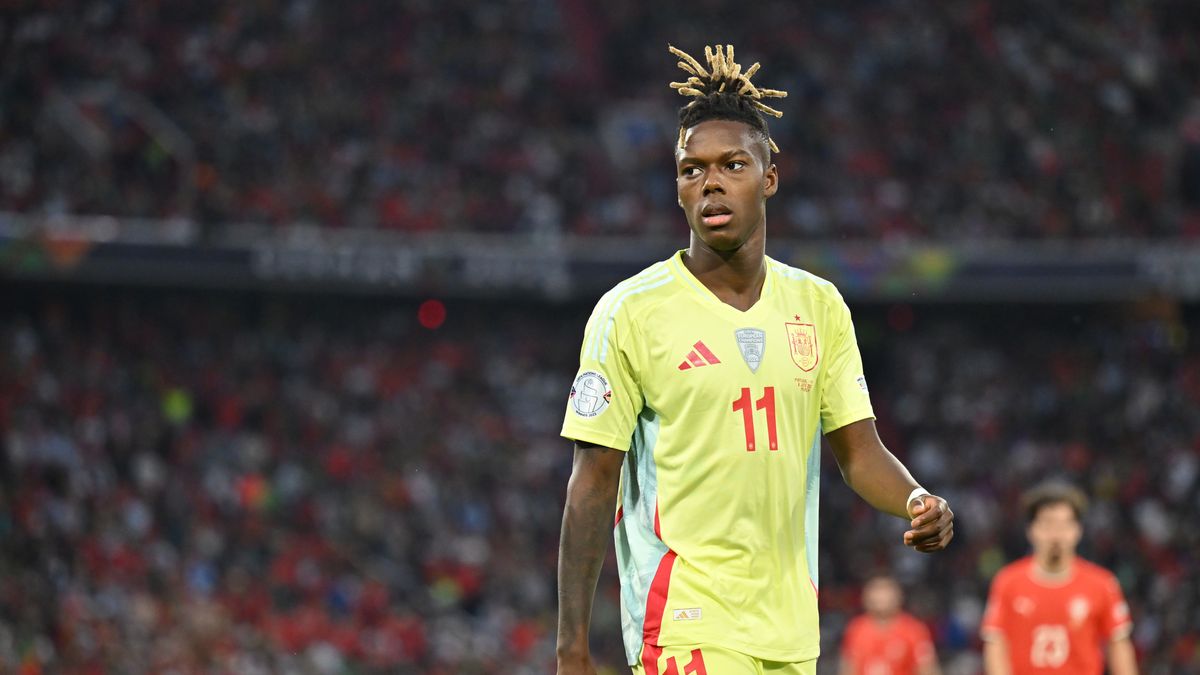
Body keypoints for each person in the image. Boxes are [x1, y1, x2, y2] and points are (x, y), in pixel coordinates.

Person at [554, 44, 955, 675]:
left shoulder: (818, 305)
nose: (710, 182)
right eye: (692, 169)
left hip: (790, 632)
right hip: (685, 624)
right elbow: (593, 482)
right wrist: (571, 648)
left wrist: (915, 499)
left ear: (769, 177)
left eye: (732, 165)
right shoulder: (629, 312)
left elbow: (857, 451)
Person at [981, 482, 1137, 675]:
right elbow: (996, 644)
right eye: (1047, 524)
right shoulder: (1008, 582)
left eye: (1064, 525)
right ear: (1031, 530)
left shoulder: (1102, 584)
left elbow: (1118, 644)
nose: (1056, 535)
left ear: (1077, 531)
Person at [839, 575, 940, 675]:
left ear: (898, 596)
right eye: (876, 591)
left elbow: (927, 668)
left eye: (886, 592)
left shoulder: (913, 629)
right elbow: (848, 667)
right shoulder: (856, 629)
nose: (881, 597)